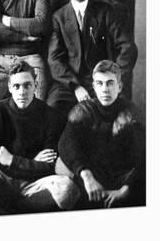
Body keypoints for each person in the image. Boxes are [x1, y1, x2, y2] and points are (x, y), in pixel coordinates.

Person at [0, 61, 79, 215]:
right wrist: (33, 162)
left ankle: (7, 208)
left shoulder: (50, 115)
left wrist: (12, 160)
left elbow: (49, 166)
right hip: (4, 180)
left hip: (35, 184)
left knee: (67, 189)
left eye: (27, 85)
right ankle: (24, 208)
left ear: (35, 85)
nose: (22, 91)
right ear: (10, 88)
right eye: (17, 86)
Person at [47, 0, 137, 118]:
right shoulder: (59, 17)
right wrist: (75, 87)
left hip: (100, 81)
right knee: (53, 107)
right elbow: (54, 59)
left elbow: (127, 47)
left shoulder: (105, 11)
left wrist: (113, 78)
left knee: (118, 116)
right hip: (69, 83)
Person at [56, 60, 145, 208]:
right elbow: (67, 145)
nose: (105, 89)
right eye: (100, 83)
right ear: (94, 86)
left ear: (120, 86)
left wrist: (126, 189)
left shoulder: (131, 113)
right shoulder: (82, 110)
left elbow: (145, 156)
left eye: (110, 83)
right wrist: (86, 175)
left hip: (121, 179)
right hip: (90, 177)